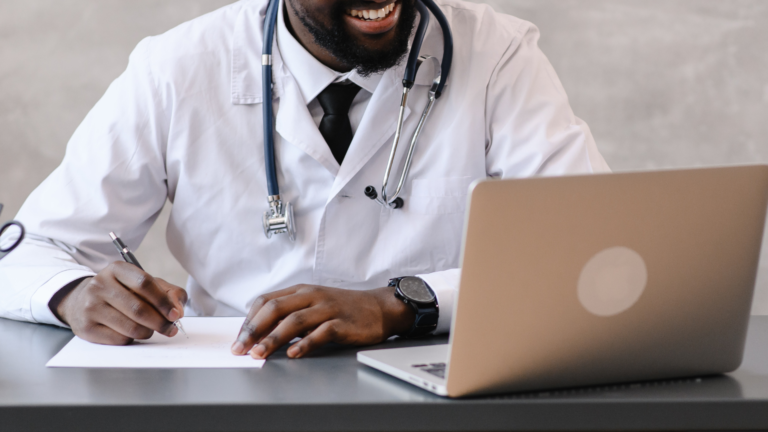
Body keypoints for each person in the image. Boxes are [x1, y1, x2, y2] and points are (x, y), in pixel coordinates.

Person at [0, 0, 609, 360]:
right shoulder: (178, 66)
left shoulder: (498, 55)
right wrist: (72, 292)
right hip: (236, 389)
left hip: (438, 380)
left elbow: (587, 252)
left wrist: (401, 305)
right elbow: (24, 252)